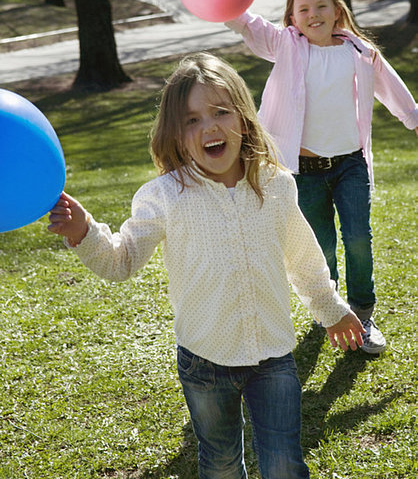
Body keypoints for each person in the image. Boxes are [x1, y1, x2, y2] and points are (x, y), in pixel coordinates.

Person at [49, 53, 364, 478]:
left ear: (243, 119)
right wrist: (84, 230)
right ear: (176, 135)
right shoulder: (163, 196)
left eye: (220, 112)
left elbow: (304, 260)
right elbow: (120, 261)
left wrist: (330, 309)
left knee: (284, 464)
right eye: (192, 120)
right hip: (204, 360)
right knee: (220, 464)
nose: (209, 127)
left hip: (273, 354)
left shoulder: (275, 185)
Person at [226, 0, 418, 355]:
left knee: (358, 238)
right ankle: (329, 311)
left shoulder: (361, 53)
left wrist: (414, 120)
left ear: (337, 11)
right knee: (321, 246)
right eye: (303, 9)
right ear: (292, 19)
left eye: (321, 6)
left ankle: (363, 314)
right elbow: (248, 24)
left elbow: (395, 93)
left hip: (350, 165)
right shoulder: (285, 46)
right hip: (304, 170)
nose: (313, 14)